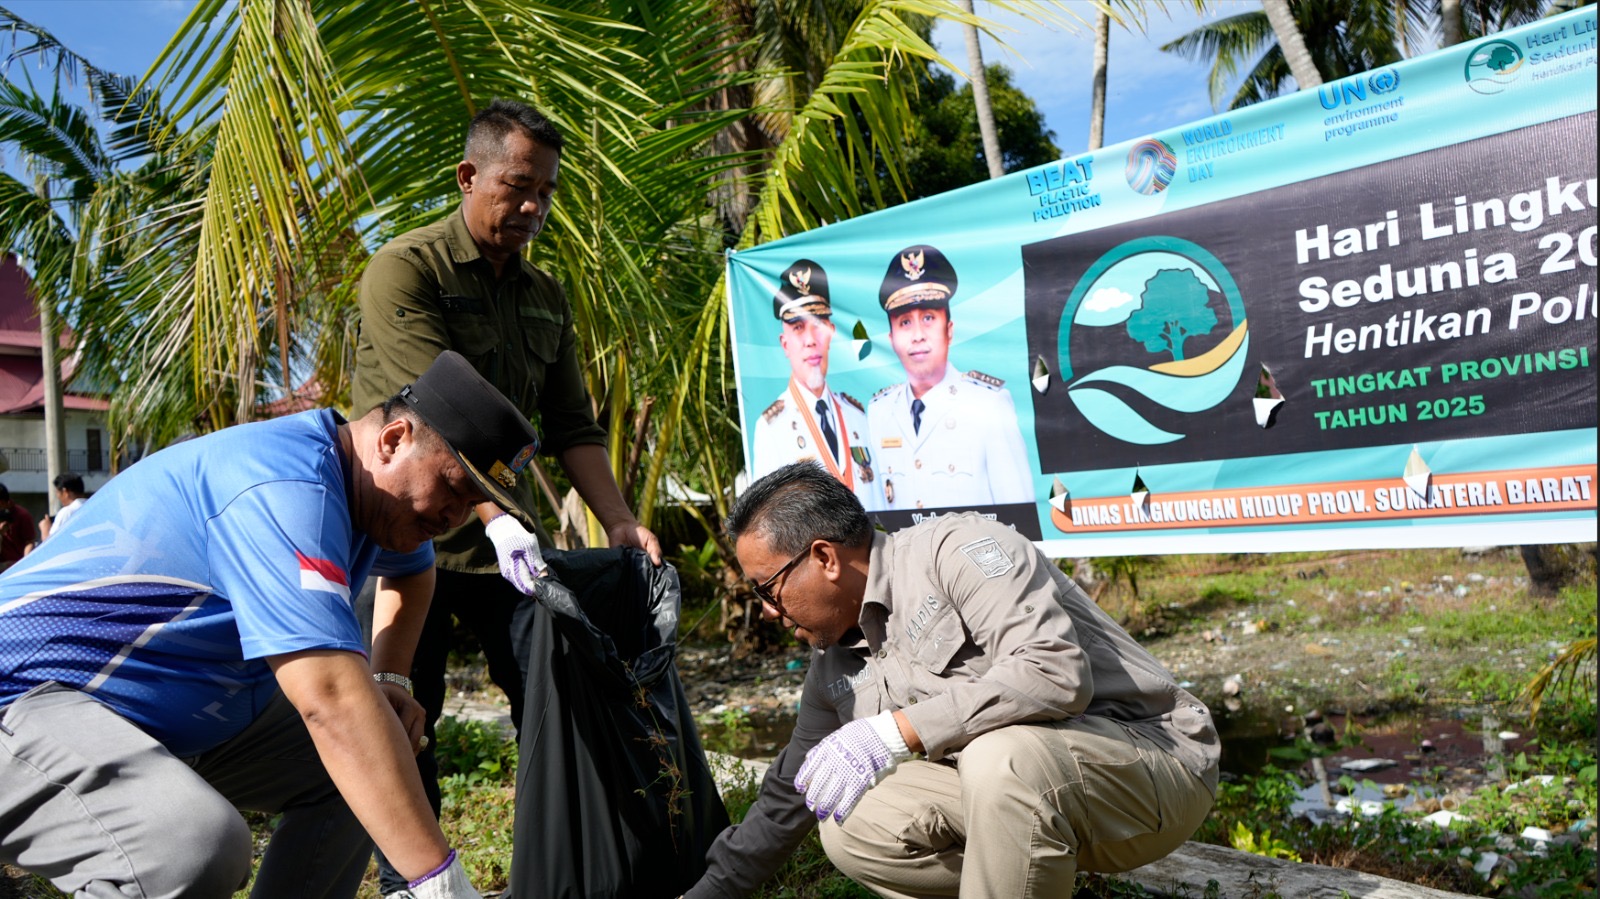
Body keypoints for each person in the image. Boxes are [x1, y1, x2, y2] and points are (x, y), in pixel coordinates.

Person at [0, 350, 544, 899]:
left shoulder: (370, 498)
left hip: (134, 713)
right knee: (189, 846)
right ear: (394, 439)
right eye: (452, 488)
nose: (454, 517)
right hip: (23, 697)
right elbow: (328, 699)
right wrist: (439, 884)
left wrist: (391, 678)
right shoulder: (283, 486)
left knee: (372, 760)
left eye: (471, 503)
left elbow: (412, 575)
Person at [352, 98, 661, 896]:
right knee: (401, 706)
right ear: (468, 175)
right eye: (518, 187)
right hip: (403, 535)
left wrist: (620, 517)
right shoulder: (406, 270)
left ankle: (562, 860)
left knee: (553, 695)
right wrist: (497, 516)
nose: (533, 207)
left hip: (505, 550)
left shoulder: (546, 297)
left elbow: (572, 425)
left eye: (547, 192)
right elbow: (440, 418)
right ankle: (408, 880)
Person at [685, 462, 1219, 898]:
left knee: (1001, 756)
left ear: (824, 557)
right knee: (850, 821)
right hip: (1026, 795)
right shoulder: (834, 669)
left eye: (766, 589)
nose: (769, 611)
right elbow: (790, 792)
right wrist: (708, 893)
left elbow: (1054, 672)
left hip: (1153, 768)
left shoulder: (956, 552)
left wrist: (895, 732)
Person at [866, 244, 1033, 511]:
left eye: (929, 318)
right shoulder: (879, 412)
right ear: (891, 338)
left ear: (949, 330)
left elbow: (1020, 518)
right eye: (905, 322)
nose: (918, 334)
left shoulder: (988, 404)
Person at [749, 259, 883, 511]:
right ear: (785, 343)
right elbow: (769, 520)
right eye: (798, 328)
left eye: (818, 326)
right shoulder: (772, 428)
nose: (811, 340)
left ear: (831, 332)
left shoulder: (857, 416)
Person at [38, 471, 88, 541]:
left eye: (57, 492)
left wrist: (45, 528)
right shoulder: (93, 507)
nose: (57, 496)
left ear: (65, 492)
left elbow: (51, 543)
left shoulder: (67, 512)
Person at [0, 482, 36, 569]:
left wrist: (25, 564)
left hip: (16, 565)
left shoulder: (22, 515)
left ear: (3, 502)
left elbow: (30, 542)